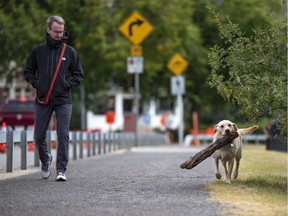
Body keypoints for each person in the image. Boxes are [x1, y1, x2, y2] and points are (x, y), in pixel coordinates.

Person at [24, 15, 84, 181]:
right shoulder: (38, 51)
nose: (59, 34)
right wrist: (37, 84)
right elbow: (28, 71)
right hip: (43, 99)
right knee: (38, 135)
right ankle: (45, 160)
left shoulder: (70, 52)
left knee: (63, 133)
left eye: (61, 31)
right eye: (56, 31)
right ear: (49, 30)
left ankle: (61, 170)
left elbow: (78, 75)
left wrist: (65, 84)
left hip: (64, 99)